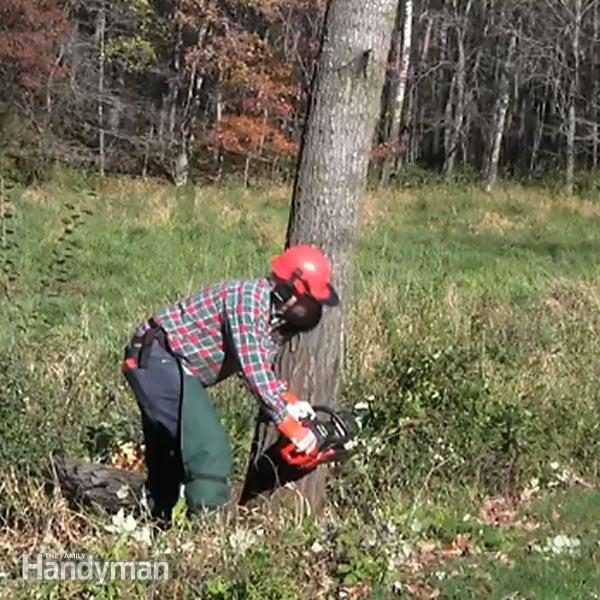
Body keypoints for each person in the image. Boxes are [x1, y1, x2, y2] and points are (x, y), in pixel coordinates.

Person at [121, 244, 339, 521]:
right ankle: (206, 534)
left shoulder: (269, 318)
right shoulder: (247, 300)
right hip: (160, 358)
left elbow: (262, 370)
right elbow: (253, 369)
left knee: (171, 457)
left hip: (170, 365)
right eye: (311, 300)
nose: (315, 308)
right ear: (288, 293)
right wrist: (292, 429)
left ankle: (157, 525)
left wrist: (292, 403)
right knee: (209, 449)